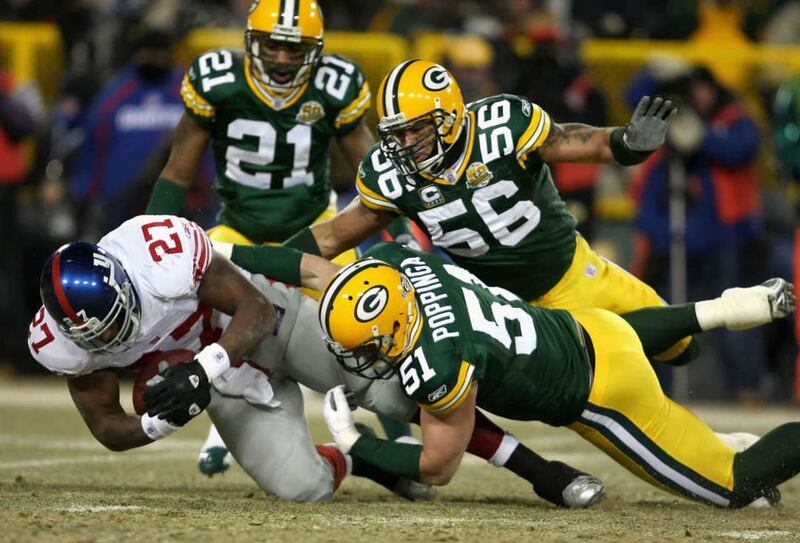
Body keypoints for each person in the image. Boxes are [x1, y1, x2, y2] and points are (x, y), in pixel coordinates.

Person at [28, 215, 607, 507]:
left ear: (124, 277)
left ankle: (541, 472)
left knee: (397, 392)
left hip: (260, 327)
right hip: (220, 382)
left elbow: (254, 310)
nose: (114, 335)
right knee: (299, 487)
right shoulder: (60, 343)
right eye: (98, 335)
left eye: (116, 317)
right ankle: (368, 464)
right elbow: (108, 427)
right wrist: (165, 417)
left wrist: (202, 368)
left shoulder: (157, 252)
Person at [283, 58, 705, 370]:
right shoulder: (391, 175)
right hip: (502, 310)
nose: (406, 143)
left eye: (417, 129)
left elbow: (578, 141)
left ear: (448, 118)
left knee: (683, 347)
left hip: (570, 273)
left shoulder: (502, 125)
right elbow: (333, 236)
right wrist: (267, 265)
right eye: (397, 133)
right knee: (592, 383)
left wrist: (627, 143)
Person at [307, 243, 797, 507]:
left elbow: (439, 466)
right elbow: (315, 268)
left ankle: (730, 454)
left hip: (604, 392)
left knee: (734, 487)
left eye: (370, 346)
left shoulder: (436, 362)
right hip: (591, 328)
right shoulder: (405, 267)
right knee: (618, 334)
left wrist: (355, 443)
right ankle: (724, 308)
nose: (365, 357)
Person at [144, 0, 417, 470]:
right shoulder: (217, 81)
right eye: (273, 45)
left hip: (317, 232)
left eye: (296, 49)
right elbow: (178, 169)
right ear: (252, 42)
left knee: (369, 325)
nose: (284, 58)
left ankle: (403, 437)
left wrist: (402, 233)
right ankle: (224, 426)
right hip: (239, 229)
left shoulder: (336, 84)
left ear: (315, 50)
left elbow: (370, 164)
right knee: (199, 317)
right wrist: (148, 238)